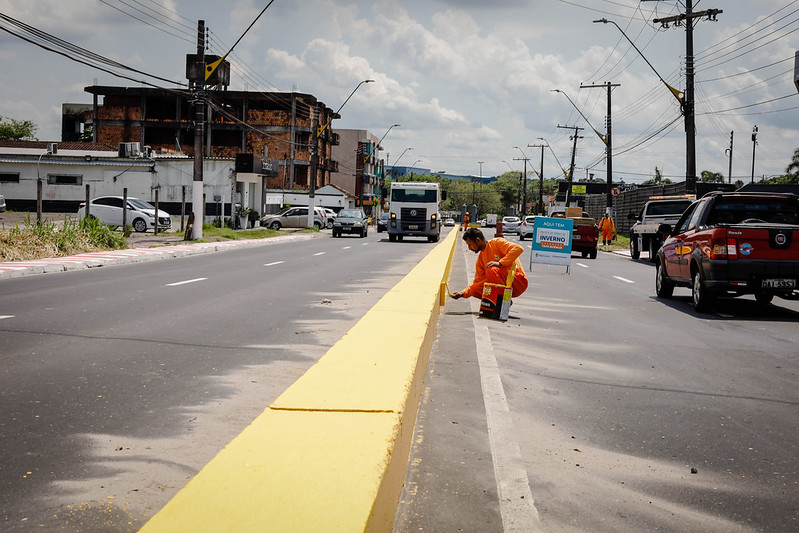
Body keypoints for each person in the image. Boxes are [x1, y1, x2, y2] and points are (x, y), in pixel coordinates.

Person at [451, 227, 528, 300]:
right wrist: (462, 293)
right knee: (474, 289)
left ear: (478, 240)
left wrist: (500, 263)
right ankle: (497, 301)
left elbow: (518, 248)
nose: (469, 248)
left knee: (491, 270)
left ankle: (504, 299)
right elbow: (477, 280)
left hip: (517, 281)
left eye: (470, 245)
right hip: (504, 284)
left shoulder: (496, 243)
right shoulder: (480, 259)